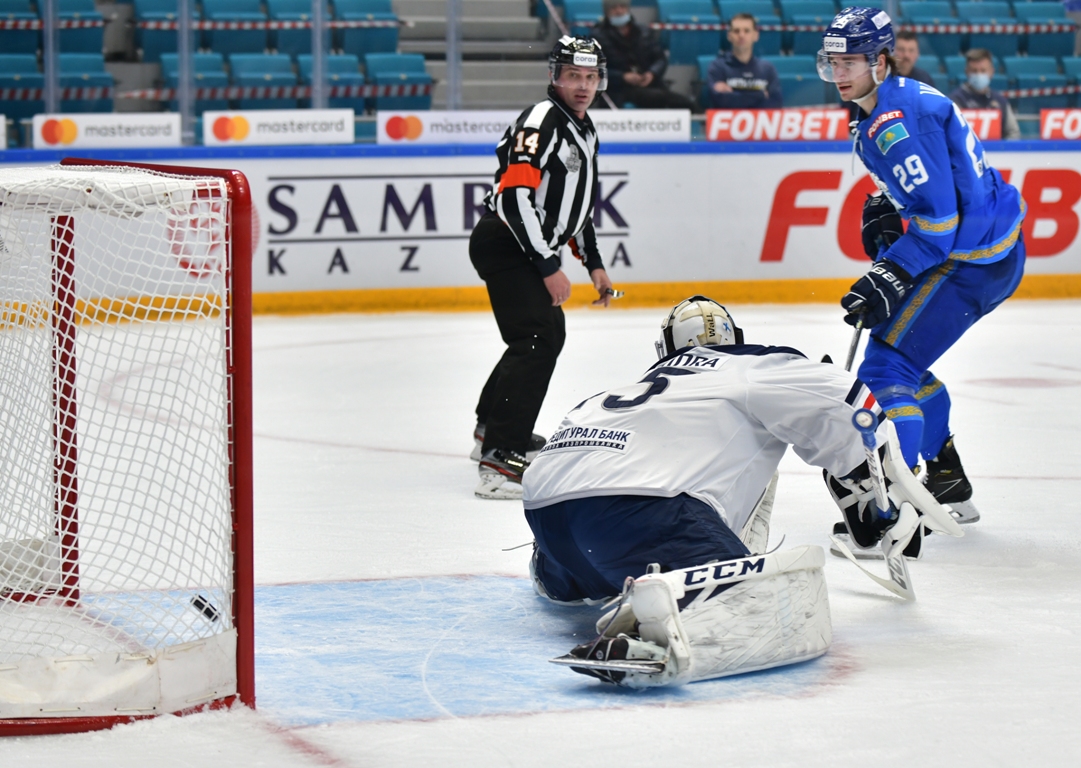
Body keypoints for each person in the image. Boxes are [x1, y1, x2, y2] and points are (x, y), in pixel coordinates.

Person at [522, 297, 937, 687]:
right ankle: (650, 635)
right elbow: (848, 399)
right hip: (639, 515)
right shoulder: (749, 365)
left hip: (551, 526)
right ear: (734, 338)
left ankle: (563, 572)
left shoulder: (626, 390)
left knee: (674, 466)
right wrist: (874, 495)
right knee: (777, 610)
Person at [817, 8, 1027, 531]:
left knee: (884, 372)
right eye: (833, 63)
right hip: (987, 251)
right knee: (901, 359)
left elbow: (937, 225)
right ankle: (947, 478)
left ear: (881, 62)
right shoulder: (892, 100)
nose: (840, 74)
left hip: (970, 261)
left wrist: (891, 271)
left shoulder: (895, 122)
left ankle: (892, 510)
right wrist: (894, 208)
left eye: (852, 63)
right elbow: (937, 195)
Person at [469, 35, 615, 501]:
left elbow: (577, 207)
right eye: (574, 75)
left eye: (591, 77)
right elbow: (514, 198)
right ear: (554, 76)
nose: (583, 85)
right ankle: (499, 456)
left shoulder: (585, 128)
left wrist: (592, 263)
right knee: (537, 338)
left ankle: (491, 426)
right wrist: (548, 263)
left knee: (542, 334)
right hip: (506, 243)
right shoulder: (541, 120)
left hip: (526, 248)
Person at [590, 0, 697, 110]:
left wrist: (652, 73)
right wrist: (623, 77)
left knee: (683, 103)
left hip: (648, 83)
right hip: (618, 89)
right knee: (657, 97)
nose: (619, 11)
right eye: (614, 8)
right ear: (606, 12)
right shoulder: (598, 36)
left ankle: (699, 120)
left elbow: (660, 59)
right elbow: (595, 69)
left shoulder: (644, 32)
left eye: (622, 6)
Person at [706, 14, 781, 110]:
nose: (741, 35)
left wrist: (734, 96)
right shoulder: (718, 67)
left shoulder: (767, 69)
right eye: (736, 31)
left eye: (746, 31)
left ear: (756, 36)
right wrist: (760, 95)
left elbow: (776, 103)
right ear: (729, 36)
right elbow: (721, 102)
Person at [948, 48, 1021, 140]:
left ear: (992, 72)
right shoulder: (955, 100)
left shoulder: (1000, 101)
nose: (979, 74)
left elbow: (1013, 132)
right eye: (974, 71)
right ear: (966, 72)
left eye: (983, 71)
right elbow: (952, 134)